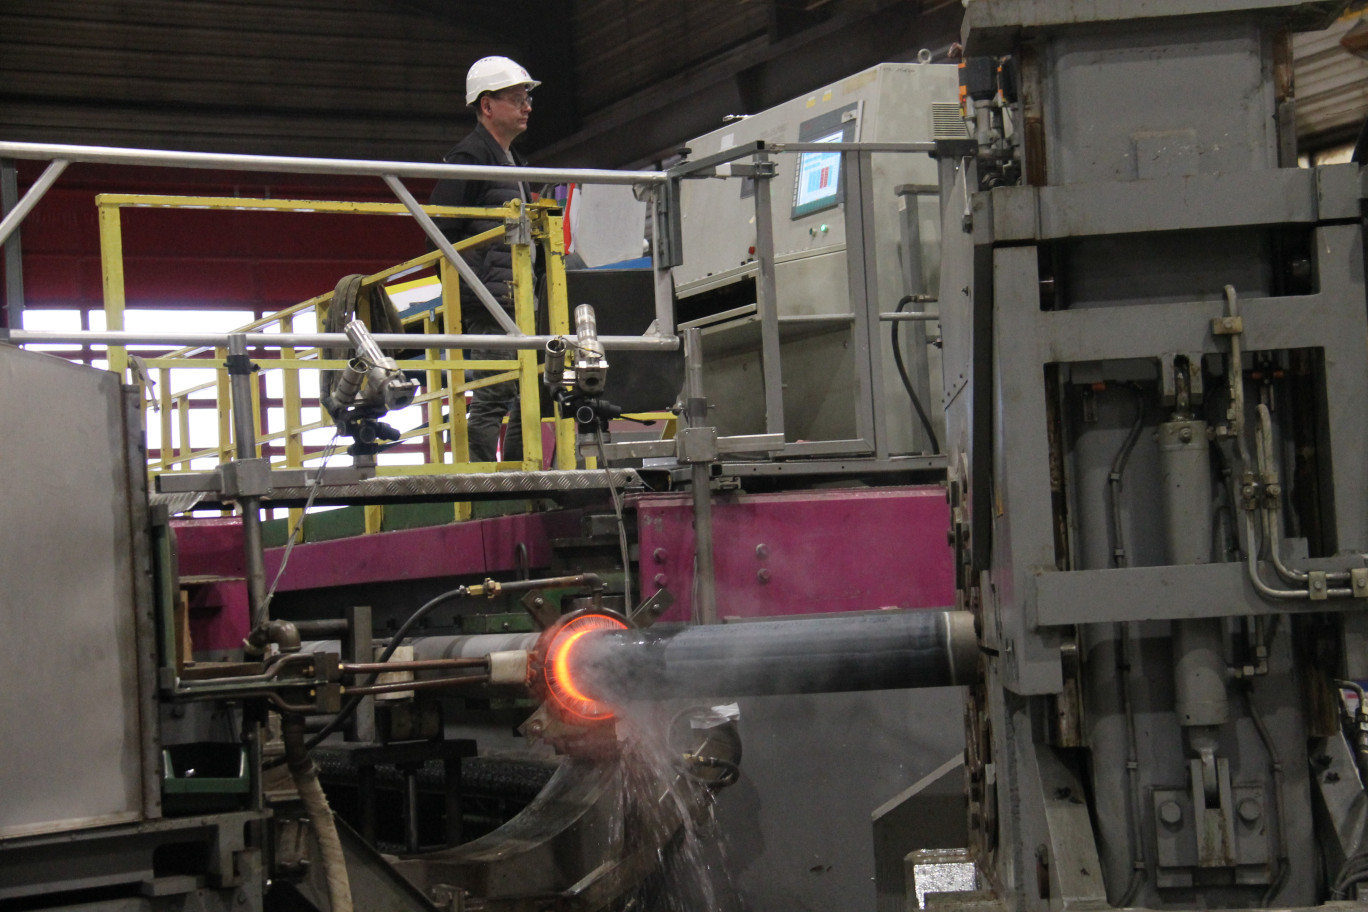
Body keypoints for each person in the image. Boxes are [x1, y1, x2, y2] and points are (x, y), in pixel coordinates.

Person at [430, 55, 540, 463]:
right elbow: (440, 227)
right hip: (491, 300)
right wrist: (471, 287)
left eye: (527, 98)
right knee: (494, 394)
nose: (527, 106)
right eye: (516, 98)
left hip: (516, 297)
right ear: (487, 105)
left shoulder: (512, 163)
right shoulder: (470, 159)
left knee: (526, 392)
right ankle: (485, 486)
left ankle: (518, 474)